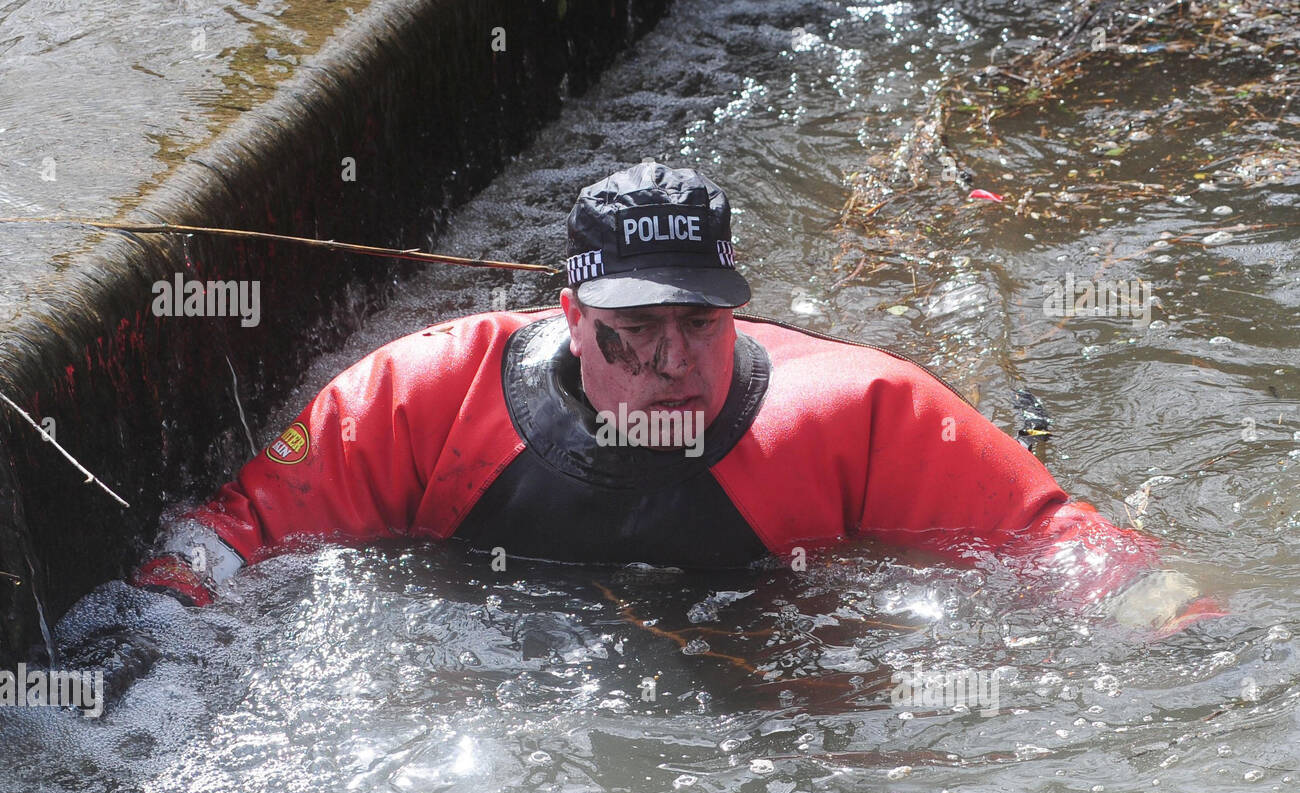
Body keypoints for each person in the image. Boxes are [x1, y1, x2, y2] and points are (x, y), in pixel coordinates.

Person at [123, 160, 1224, 638]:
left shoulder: (862, 413)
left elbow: (1059, 542)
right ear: (569, 313)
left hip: (769, 664)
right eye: (633, 332)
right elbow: (238, 528)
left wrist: (1191, 630)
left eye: (699, 324)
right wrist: (163, 607)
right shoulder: (422, 395)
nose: (672, 363)